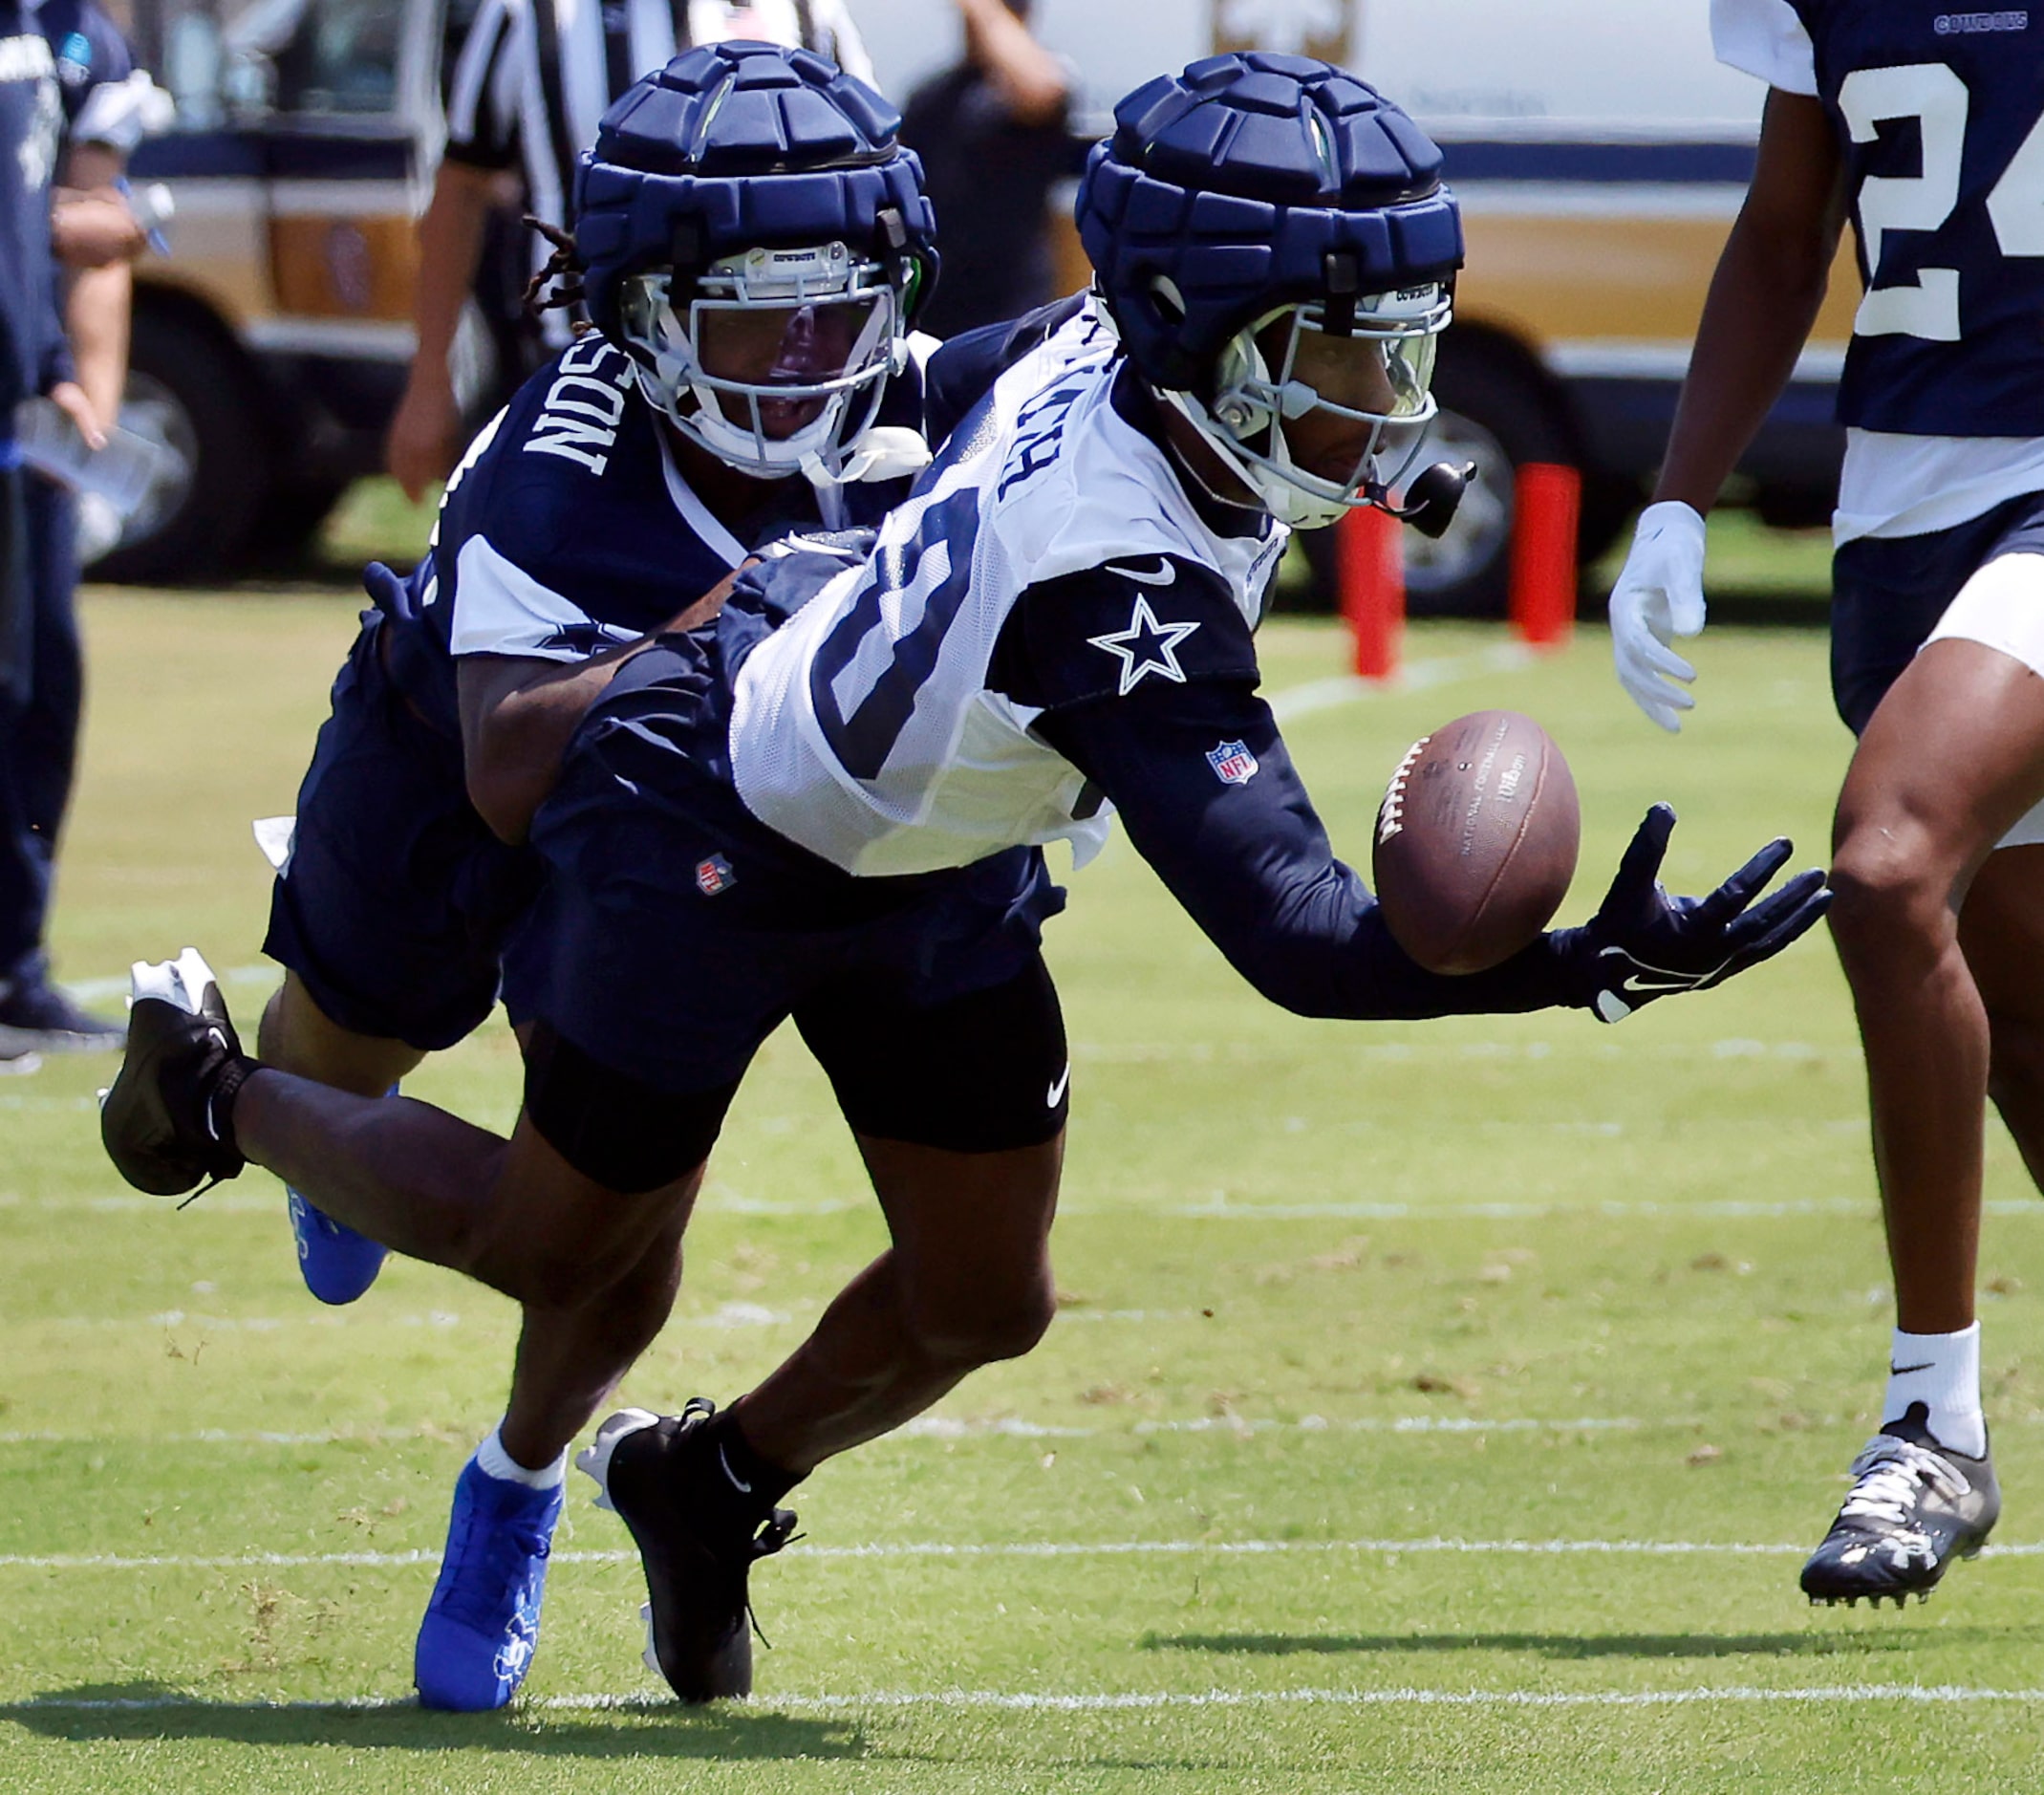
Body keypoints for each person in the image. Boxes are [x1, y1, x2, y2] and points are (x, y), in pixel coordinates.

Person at [102, 54, 1832, 1704]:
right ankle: (218, 1093)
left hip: (928, 833)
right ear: (1209, 340)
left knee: (983, 1296)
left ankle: (706, 1483)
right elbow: (1301, 938)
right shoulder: (1106, 573)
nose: (1383, 396)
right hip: (707, 817)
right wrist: (1573, 959)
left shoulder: (1112, 336)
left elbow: (1063, 391)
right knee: (551, 1246)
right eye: (1341, 351)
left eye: (1399, 346)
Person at [189, 42, 935, 1708]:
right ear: (644, 310)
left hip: (667, 823)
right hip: (453, 771)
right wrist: (750, 597)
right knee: (336, 1050)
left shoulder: (890, 389)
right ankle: (323, 1134)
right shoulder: (560, 459)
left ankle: (515, 1481)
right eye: (757, 310)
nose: (814, 352)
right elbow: (512, 767)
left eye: (843, 300)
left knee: (619, 1211)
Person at [1605, 0, 2044, 1607]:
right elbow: (1786, 225)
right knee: (2023, 1011)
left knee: (1884, 867)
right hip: (1902, 502)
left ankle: (1926, 1420)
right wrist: (1669, 497)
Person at [388, 0, 874, 502]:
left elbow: (875, 177)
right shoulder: (530, 12)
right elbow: (463, 184)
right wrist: (429, 379)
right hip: (584, 387)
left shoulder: (805, 10)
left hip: (779, 388)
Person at [0, 0, 138, 1058]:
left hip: (25, 411)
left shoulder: (63, 30)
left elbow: (83, 222)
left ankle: (16, 966)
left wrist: (60, 368)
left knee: (40, 688)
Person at [899, 0, 1077, 339]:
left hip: (1012, 309)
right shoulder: (931, 96)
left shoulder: (1035, 82)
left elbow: (1041, 90)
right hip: (937, 306)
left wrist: (985, 9)